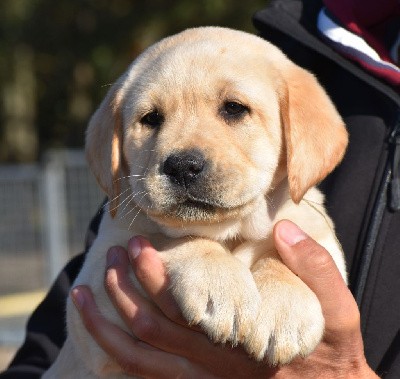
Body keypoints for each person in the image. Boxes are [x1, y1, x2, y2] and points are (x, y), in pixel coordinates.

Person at [1, 0, 399, 377]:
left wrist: (284, 278)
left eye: (233, 109)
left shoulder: (300, 205)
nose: (182, 155)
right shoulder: (132, 211)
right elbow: (84, 330)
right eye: (151, 118)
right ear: (115, 147)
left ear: (300, 135)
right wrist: (185, 256)